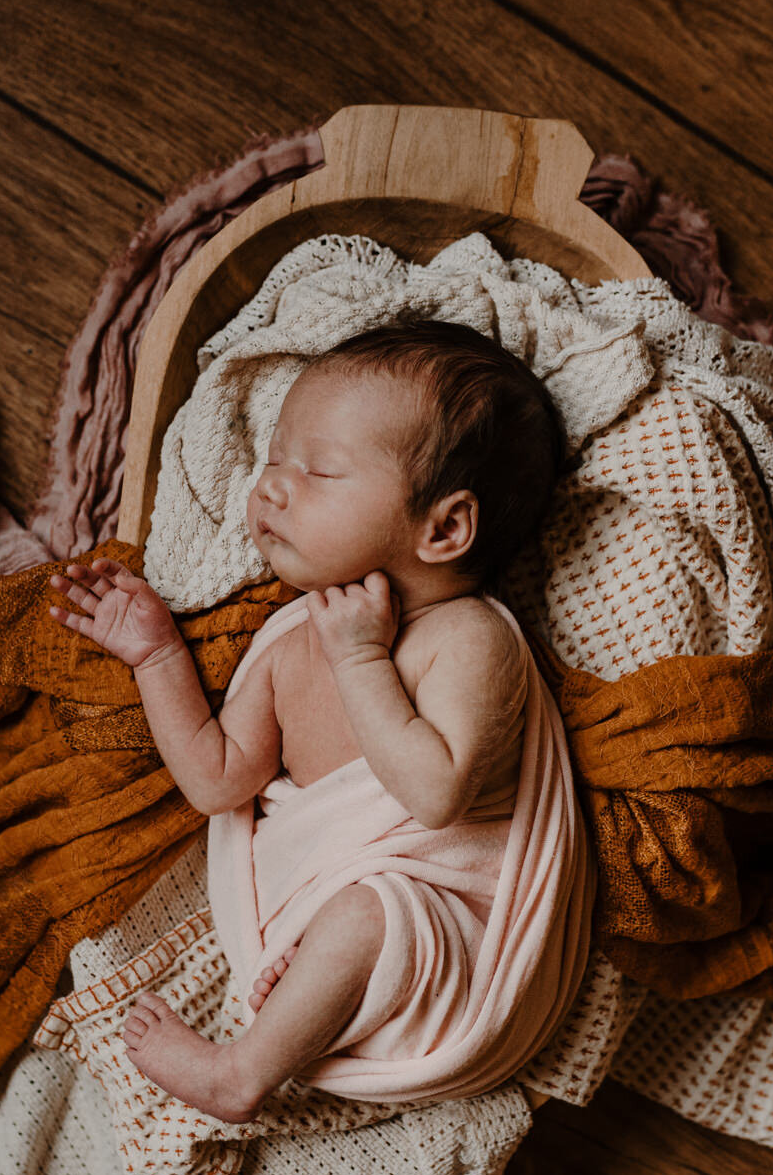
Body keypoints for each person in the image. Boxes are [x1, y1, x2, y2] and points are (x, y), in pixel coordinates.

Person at [46, 317, 588, 1124]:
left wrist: (362, 660)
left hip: (450, 954)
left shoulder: (467, 636)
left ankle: (241, 1075)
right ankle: (297, 1008)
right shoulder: (291, 639)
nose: (272, 487)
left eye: (319, 470)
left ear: (443, 528)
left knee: (373, 910)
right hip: (327, 945)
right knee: (359, 911)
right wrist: (156, 656)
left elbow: (437, 796)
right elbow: (217, 778)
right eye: (272, 460)